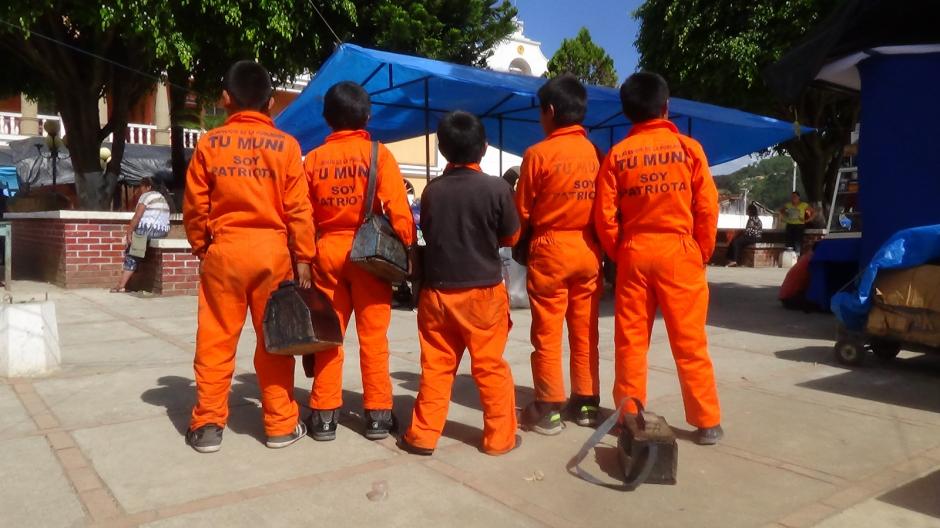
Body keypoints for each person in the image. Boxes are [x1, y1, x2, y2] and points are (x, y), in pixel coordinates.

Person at [183, 60, 315, 453]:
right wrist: (304, 257)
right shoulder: (288, 147)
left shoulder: (209, 143)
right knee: (275, 341)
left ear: (225, 98)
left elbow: (194, 205)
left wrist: (201, 246)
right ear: (272, 102)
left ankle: (207, 425)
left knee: (215, 339)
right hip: (273, 256)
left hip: (224, 252)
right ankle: (279, 425)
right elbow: (298, 208)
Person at [594, 72, 723, 445]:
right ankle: (706, 422)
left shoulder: (618, 154)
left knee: (631, 340)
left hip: (635, 252)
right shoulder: (689, 149)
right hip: (680, 251)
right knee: (690, 340)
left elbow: (604, 215)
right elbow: (707, 207)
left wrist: (620, 251)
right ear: (666, 107)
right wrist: (701, 250)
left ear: (627, 112)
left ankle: (628, 414)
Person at [399, 111, 521, 456]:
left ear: (442, 148)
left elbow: (429, 233)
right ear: (484, 148)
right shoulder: (497, 188)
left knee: (436, 367)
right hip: (482, 293)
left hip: (437, 293)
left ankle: (422, 435)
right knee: (489, 366)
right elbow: (511, 235)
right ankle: (499, 438)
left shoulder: (433, 192)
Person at [302, 81, 415, 442]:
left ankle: (323, 416)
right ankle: (378, 416)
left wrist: (304, 258)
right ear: (367, 116)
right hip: (369, 255)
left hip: (326, 253)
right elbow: (400, 214)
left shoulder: (314, 159)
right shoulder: (379, 155)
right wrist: (406, 249)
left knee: (328, 336)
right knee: (373, 338)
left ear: (326, 119)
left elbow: (302, 216)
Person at [515, 74, 602, 434]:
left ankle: (549, 407)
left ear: (549, 112)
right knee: (585, 332)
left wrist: (519, 244)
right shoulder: (597, 154)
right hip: (587, 250)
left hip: (550, 250)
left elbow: (522, 210)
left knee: (547, 333)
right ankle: (585, 404)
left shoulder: (538, 155)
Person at [110, 176, 170, 293]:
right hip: (161, 232)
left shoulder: (146, 196)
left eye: (141, 187)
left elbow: (137, 216)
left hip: (147, 230)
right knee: (137, 249)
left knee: (132, 254)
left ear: (148, 187)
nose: (139, 189)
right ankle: (130, 282)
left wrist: (129, 231)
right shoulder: (163, 197)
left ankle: (121, 285)